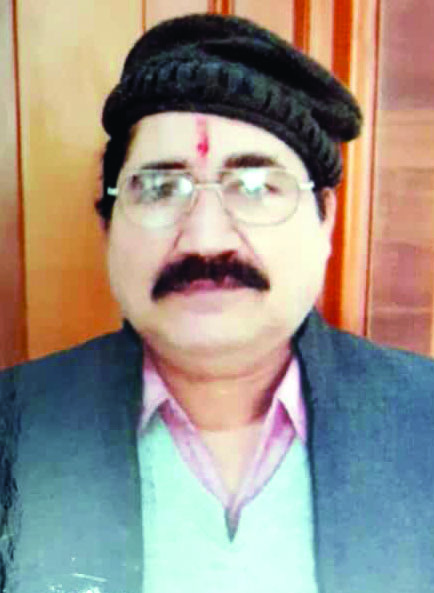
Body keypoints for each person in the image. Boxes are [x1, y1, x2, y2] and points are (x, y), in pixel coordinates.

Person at [1, 13, 433, 593]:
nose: (206, 239)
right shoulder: (13, 430)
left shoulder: (423, 424)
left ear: (325, 219)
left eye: (255, 187)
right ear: (107, 224)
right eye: (160, 187)